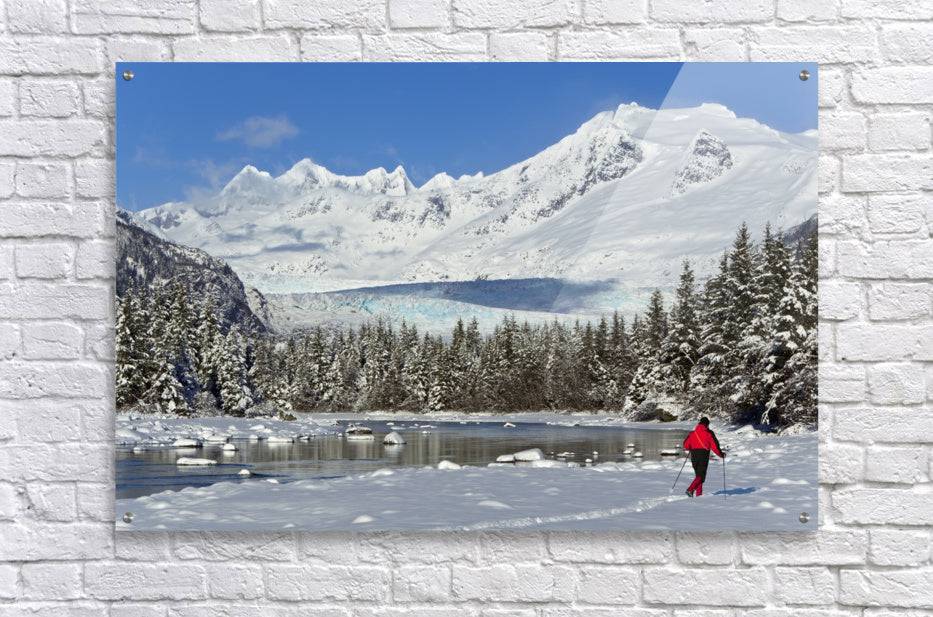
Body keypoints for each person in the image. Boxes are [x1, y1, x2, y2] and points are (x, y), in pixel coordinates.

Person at [682, 416, 724, 497]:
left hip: (694, 455)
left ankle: (699, 496)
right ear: (707, 425)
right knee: (701, 476)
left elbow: (686, 445)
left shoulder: (692, 433)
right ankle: (690, 490)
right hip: (703, 455)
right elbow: (715, 446)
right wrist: (721, 454)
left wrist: (692, 445)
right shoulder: (709, 434)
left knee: (698, 475)